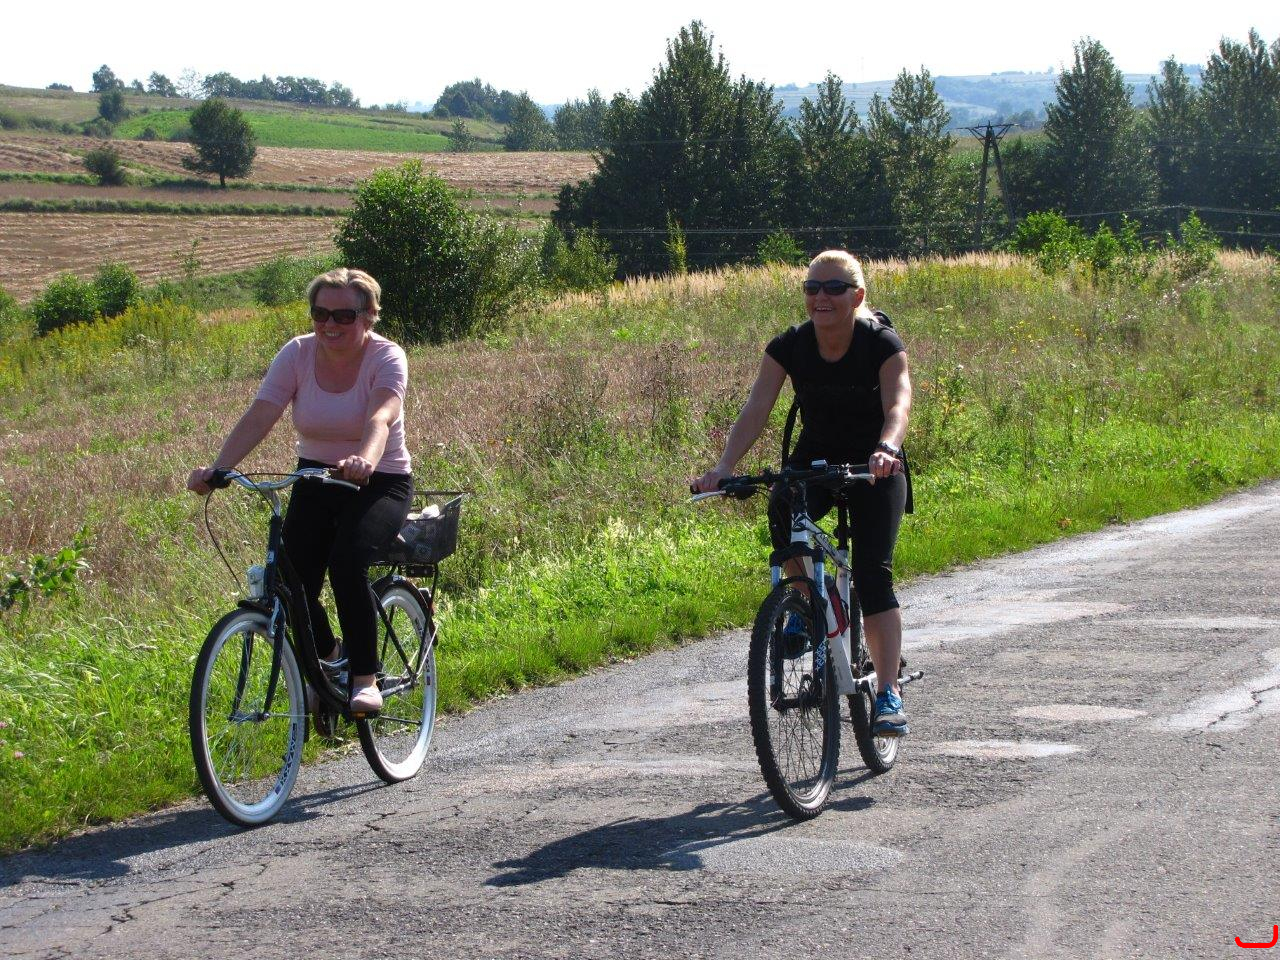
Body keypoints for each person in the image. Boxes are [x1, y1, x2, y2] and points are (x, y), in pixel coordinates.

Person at [692, 250, 913, 735]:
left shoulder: (880, 343)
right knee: (781, 508)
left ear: (857, 295)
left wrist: (886, 448)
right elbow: (756, 408)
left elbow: (898, 403)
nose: (821, 297)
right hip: (814, 458)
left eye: (834, 288)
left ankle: (888, 692)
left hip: (873, 466)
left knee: (873, 576)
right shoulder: (789, 345)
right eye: (812, 288)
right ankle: (806, 603)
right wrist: (724, 467)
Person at [187, 268, 413, 715]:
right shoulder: (297, 353)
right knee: (291, 580)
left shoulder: (386, 357)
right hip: (314, 476)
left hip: (379, 479)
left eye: (343, 316)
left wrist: (364, 459)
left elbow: (381, 417)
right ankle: (329, 659)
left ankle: (364, 678)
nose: (330, 324)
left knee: (346, 560)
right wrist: (219, 468)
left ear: (369, 316)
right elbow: (262, 412)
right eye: (320, 313)